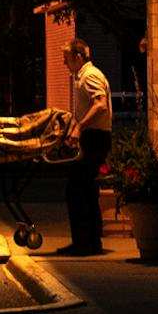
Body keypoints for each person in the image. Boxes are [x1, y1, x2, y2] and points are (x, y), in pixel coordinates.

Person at [54, 37, 113, 255]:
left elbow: (100, 105)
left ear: (78, 57)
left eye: (66, 59)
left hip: (95, 137)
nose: (64, 64)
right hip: (96, 137)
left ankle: (83, 244)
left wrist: (79, 127)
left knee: (76, 189)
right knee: (87, 189)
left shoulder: (89, 76)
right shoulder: (86, 76)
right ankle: (91, 242)